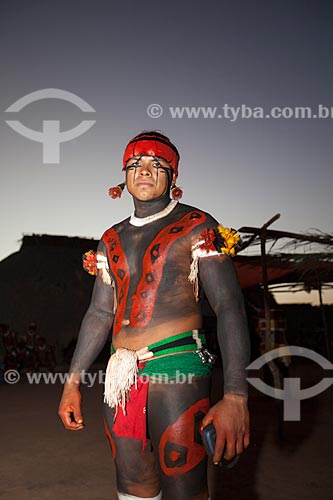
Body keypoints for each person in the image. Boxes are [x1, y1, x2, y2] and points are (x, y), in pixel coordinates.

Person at [58, 131, 250, 500]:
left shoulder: (198, 225)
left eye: (156, 165)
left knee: (184, 483)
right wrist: (72, 382)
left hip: (178, 367)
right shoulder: (109, 239)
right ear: (124, 175)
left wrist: (236, 396)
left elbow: (229, 307)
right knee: (132, 482)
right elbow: (99, 313)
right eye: (135, 164)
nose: (144, 171)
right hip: (121, 375)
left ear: (173, 177)